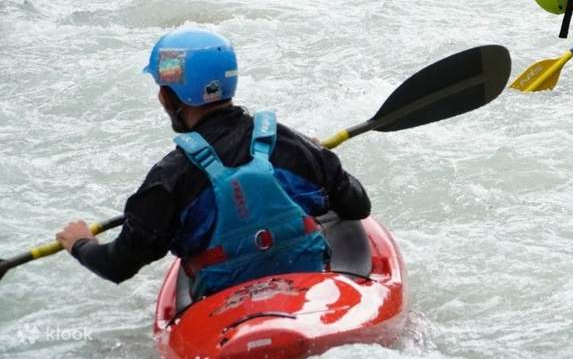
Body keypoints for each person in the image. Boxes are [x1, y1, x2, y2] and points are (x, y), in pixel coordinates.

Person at [56, 27, 371, 300]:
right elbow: (357, 206)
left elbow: (117, 265)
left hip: (224, 312)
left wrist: (81, 244)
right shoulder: (292, 145)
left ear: (168, 97)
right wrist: (322, 157)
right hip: (308, 294)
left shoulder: (168, 178)